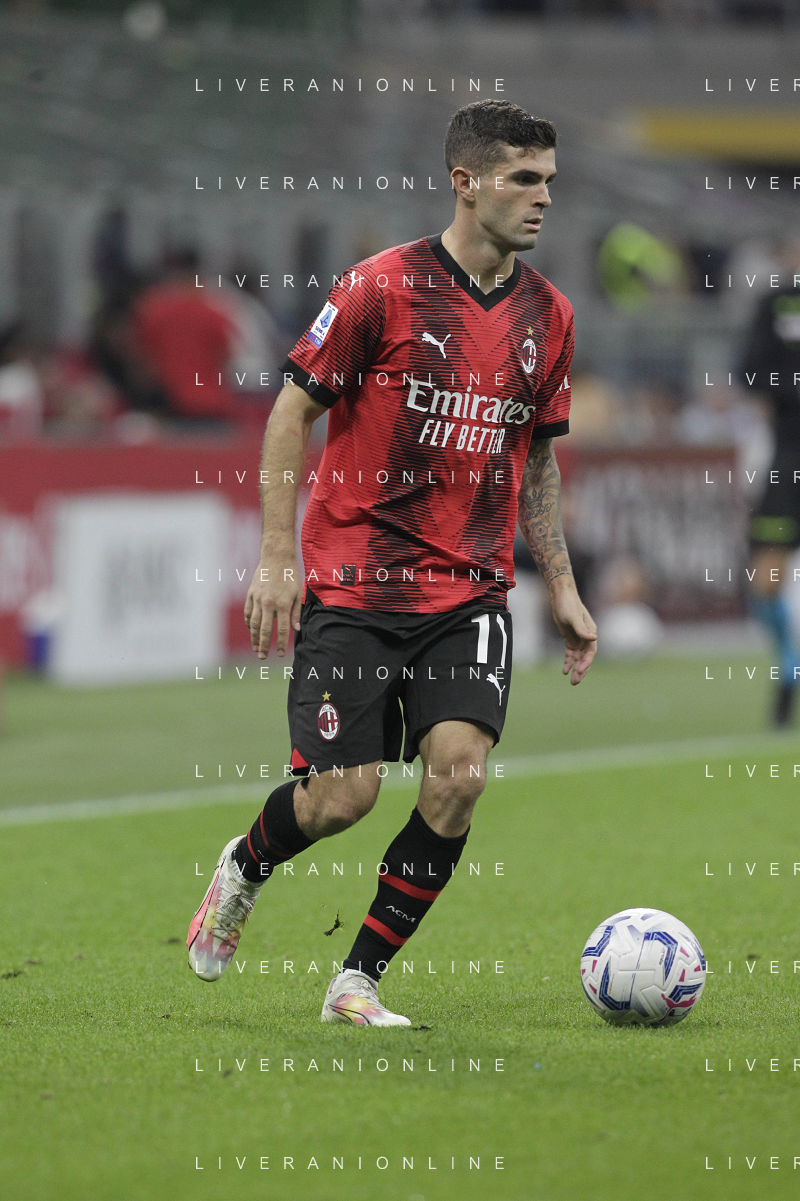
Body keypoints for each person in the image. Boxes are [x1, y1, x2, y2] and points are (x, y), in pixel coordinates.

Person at [186, 100, 597, 1025]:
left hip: (471, 588)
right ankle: (245, 865)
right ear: (466, 182)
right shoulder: (380, 287)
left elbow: (536, 456)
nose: (542, 198)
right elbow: (290, 412)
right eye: (523, 179)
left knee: (459, 777)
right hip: (357, 582)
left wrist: (564, 586)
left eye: (549, 181)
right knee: (343, 797)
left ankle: (357, 978)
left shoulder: (551, 315)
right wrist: (277, 557)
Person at [738, 249, 800, 725]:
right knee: (765, 581)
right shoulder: (777, 301)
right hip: (788, 454)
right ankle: (789, 668)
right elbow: (748, 371)